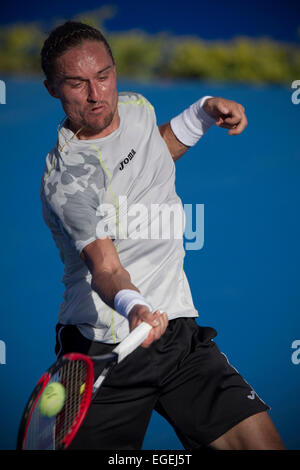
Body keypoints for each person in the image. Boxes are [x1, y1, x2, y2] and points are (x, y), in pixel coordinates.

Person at [40, 21, 285, 450]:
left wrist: (204, 111)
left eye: (104, 76)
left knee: (260, 443)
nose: (97, 95)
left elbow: (156, 152)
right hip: (104, 350)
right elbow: (106, 268)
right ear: (52, 89)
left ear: (115, 69)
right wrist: (135, 307)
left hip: (172, 331)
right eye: (78, 84)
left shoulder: (135, 108)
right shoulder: (68, 180)